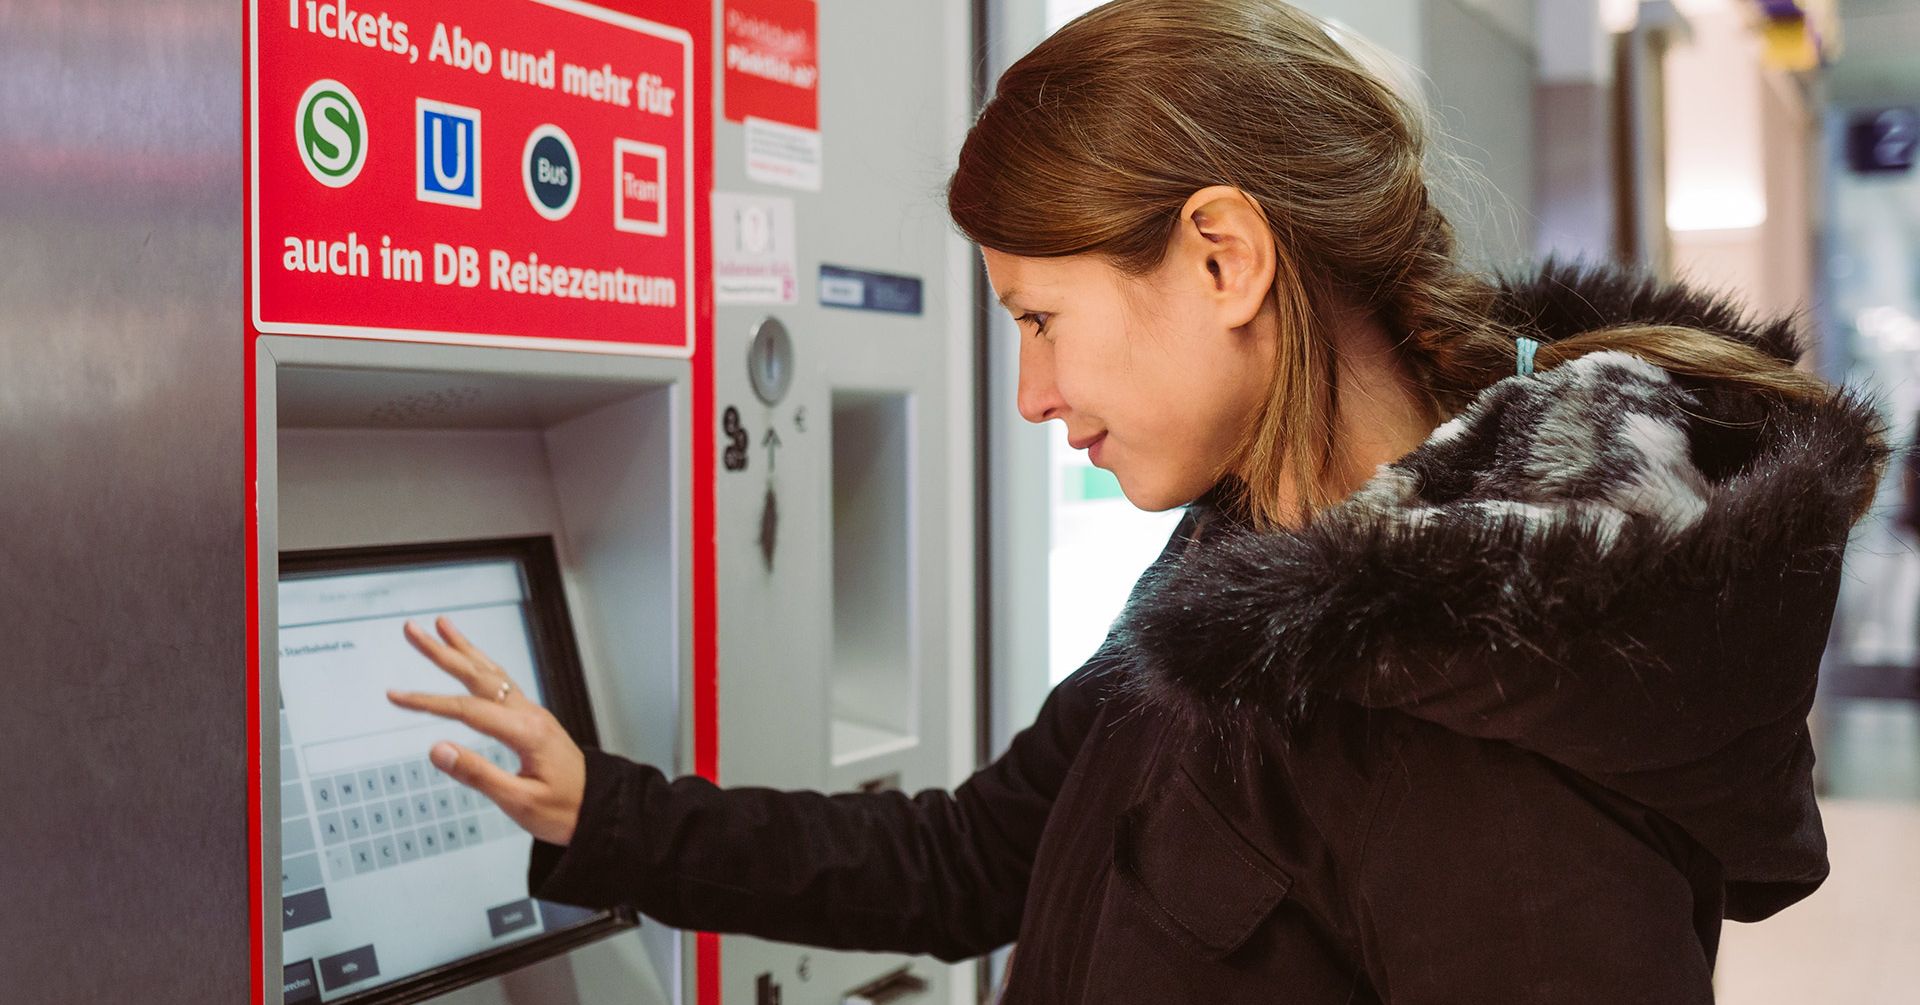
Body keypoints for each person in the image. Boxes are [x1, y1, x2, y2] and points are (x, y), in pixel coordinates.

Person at [386, 1, 1890, 1000]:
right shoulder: (1249, 562)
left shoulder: (1500, 708)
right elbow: (978, 855)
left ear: (1226, 257)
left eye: (1040, 320)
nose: (1033, 394)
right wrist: (606, 812)